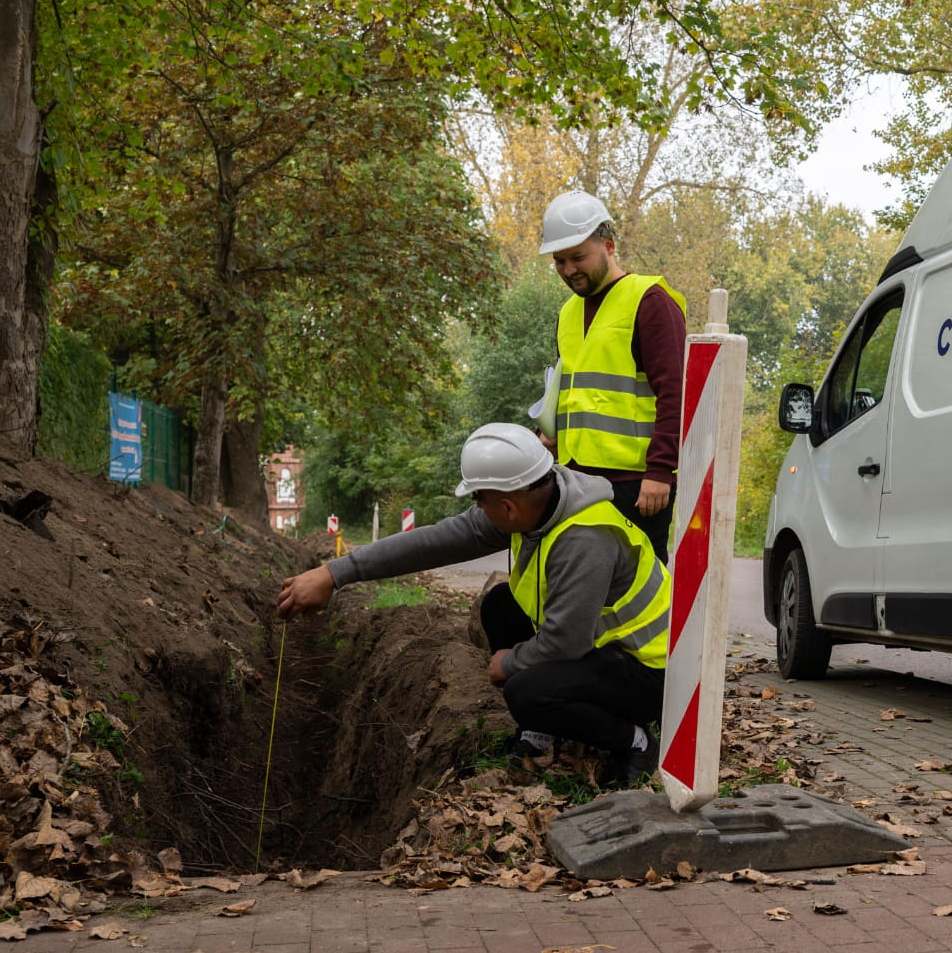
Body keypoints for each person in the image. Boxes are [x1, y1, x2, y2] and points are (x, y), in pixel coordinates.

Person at [275, 423, 667, 785]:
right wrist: (335, 573)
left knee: (526, 691)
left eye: (480, 499)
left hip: (647, 670)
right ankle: (542, 730)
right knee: (500, 605)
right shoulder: (541, 503)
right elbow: (436, 541)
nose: (477, 509)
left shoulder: (585, 538)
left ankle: (633, 741)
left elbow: (566, 644)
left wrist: (511, 663)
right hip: (603, 649)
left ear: (508, 506)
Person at [538, 190, 687, 559]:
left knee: (640, 593)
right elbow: (574, 390)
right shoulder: (568, 313)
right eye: (560, 261)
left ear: (609, 245)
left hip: (636, 486)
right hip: (577, 481)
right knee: (583, 591)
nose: (569, 269)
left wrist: (661, 471)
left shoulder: (649, 301)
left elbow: (676, 393)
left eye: (578, 257)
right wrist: (552, 431)